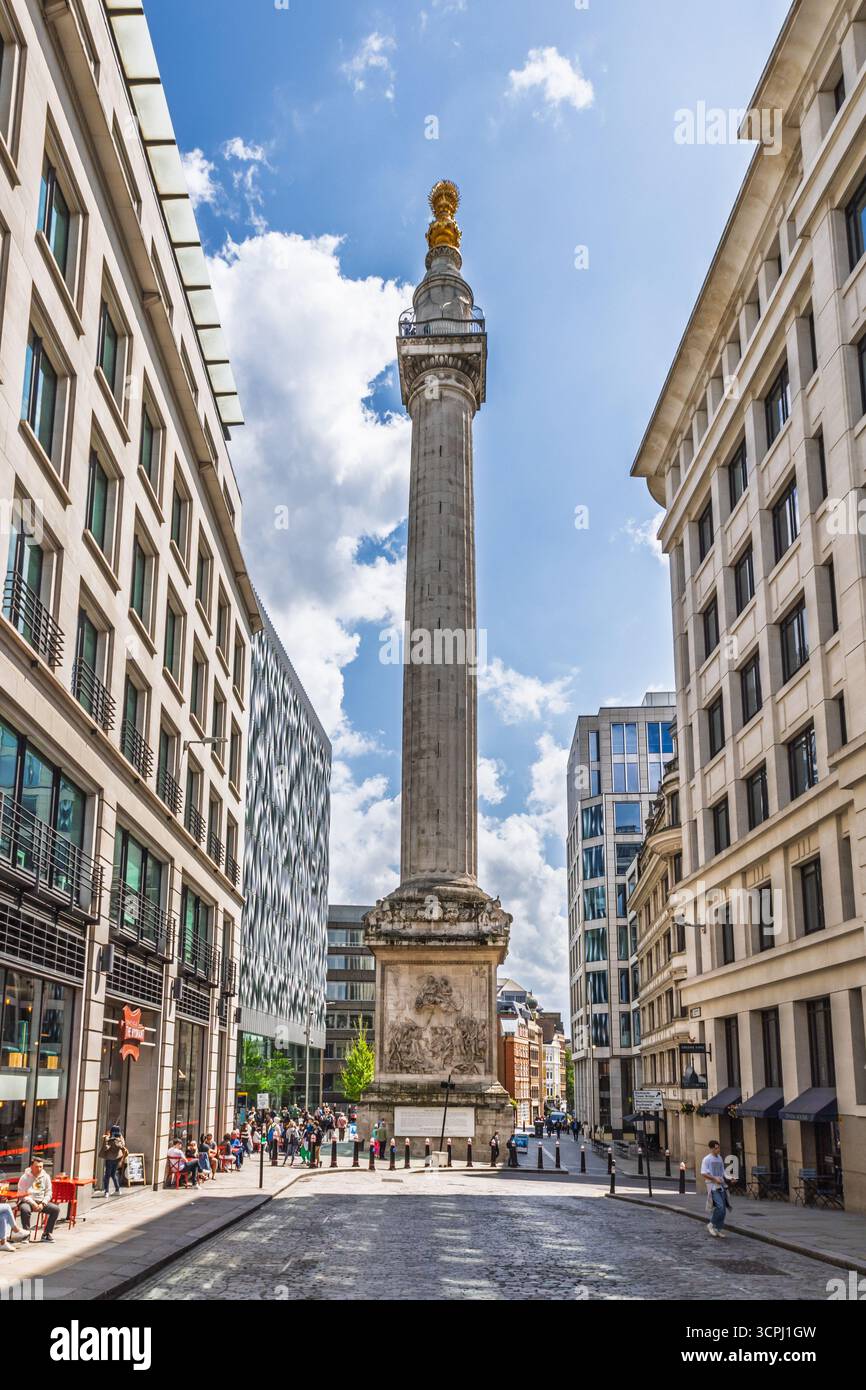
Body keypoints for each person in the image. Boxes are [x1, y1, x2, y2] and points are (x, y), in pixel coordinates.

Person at [17, 1158, 61, 1242]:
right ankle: (26, 1234)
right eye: (37, 1167)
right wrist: (33, 1203)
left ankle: (46, 1234)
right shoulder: (25, 1177)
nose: (39, 1169)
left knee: (55, 1209)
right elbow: (21, 1194)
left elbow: (49, 1192)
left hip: (41, 1202)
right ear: (31, 1167)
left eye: (41, 1167)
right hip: (27, 1201)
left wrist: (43, 1203)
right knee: (25, 1209)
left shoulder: (46, 1176)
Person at [701, 1139, 729, 1238]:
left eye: (719, 1147)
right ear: (712, 1148)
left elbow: (723, 1171)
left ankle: (718, 1229)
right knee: (720, 1207)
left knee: (724, 1210)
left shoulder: (720, 1158)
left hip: (721, 1185)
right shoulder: (707, 1159)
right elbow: (703, 1173)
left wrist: (730, 1178)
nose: (718, 1150)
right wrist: (714, 1179)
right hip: (712, 1186)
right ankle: (711, 1224)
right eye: (716, 1148)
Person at [99, 1124, 128, 1197]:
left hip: (110, 1159)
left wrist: (106, 1140)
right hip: (117, 1158)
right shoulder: (120, 1138)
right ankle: (117, 1189)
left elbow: (106, 1148)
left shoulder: (111, 1139)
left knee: (107, 1175)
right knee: (113, 1174)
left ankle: (106, 1191)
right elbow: (123, 1145)